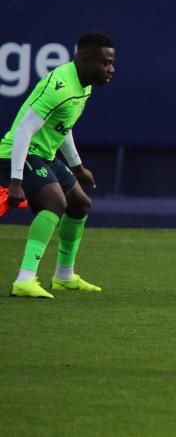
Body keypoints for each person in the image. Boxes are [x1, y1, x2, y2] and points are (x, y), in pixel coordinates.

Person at [1, 32, 115, 299]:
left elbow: (63, 127)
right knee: (55, 202)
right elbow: (23, 131)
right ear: (84, 59)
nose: (111, 68)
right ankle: (25, 279)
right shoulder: (59, 86)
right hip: (18, 153)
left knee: (80, 204)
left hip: (44, 155)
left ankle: (64, 277)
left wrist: (77, 167)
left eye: (111, 62)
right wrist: (15, 181)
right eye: (105, 63)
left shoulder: (83, 84)